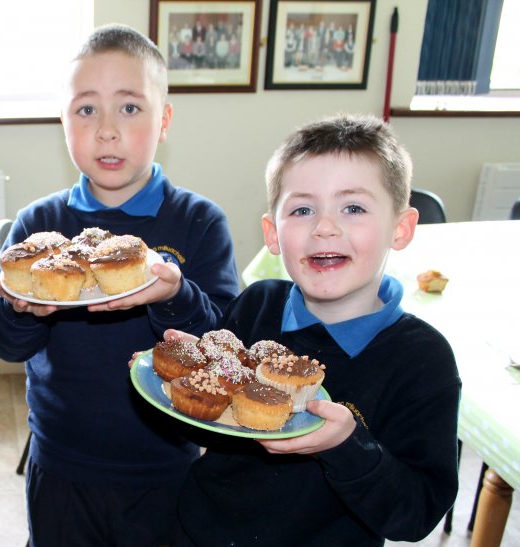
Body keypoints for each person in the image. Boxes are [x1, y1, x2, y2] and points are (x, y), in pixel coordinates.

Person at [0, 24, 240, 546]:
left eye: (129, 107)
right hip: (61, 460)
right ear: (63, 123)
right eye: (85, 109)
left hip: (167, 463)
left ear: (164, 120)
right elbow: (5, 345)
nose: (106, 130)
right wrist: (21, 310)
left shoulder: (199, 222)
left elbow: (224, 344)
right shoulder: (39, 227)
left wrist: (176, 296)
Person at [171, 114, 461, 546]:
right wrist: (188, 388)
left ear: (400, 229)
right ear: (272, 233)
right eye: (303, 209)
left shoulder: (422, 361)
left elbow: (414, 515)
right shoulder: (256, 307)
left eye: (354, 207)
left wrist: (348, 445)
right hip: (202, 532)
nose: (325, 227)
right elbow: (210, 432)